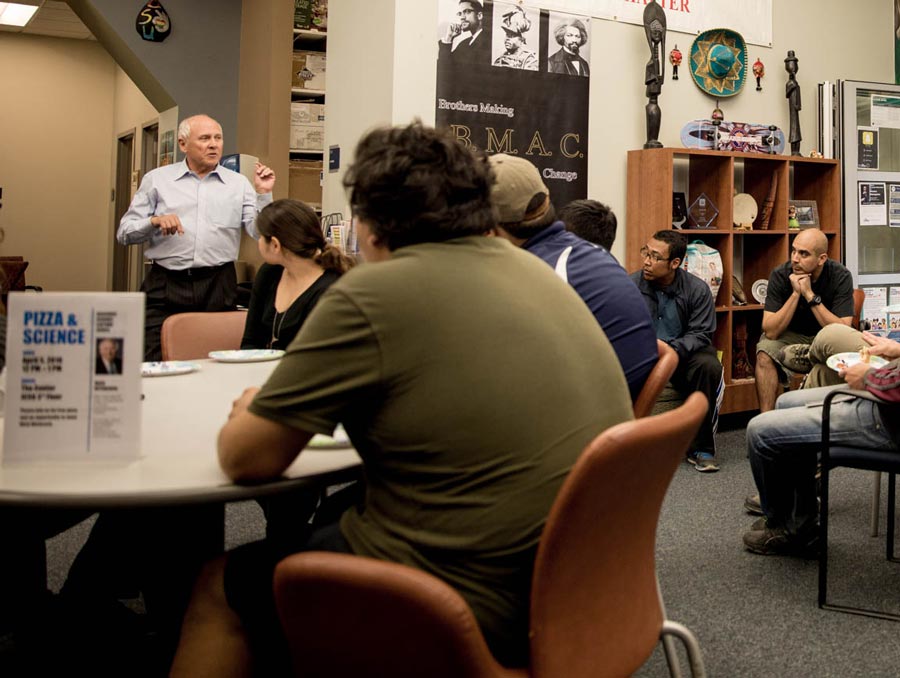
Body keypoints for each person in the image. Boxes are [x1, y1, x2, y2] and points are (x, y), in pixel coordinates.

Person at [169, 121, 634, 676]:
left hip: (461, 597)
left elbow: (247, 460)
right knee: (335, 515)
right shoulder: (534, 271)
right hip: (579, 584)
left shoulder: (370, 293)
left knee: (217, 588)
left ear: (367, 225)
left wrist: (251, 412)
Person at [489, 154, 657, 401]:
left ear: (489, 225)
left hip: (589, 415)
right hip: (614, 402)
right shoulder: (588, 251)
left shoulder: (541, 273)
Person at [117, 114, 276, 361]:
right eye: (204, 138)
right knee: (154, 360)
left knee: (215, 361)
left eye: (218, 138)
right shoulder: (157, 180)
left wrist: (264, 195)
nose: (213, 144)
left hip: (218, 283)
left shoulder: (238, 184)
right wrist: (153, 222)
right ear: (183, 144)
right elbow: (124, 233)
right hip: (166, 283)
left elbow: (259, 232)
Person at [743, 334, 900, 556]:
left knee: (759, 431)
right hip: (888, 396)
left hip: (888, 418)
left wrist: (870, 378)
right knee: (785, 402)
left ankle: (785, 527)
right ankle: (800, 521)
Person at [631, 230, 723, 472]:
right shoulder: (631, 286)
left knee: (708, 364)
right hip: (643, 356)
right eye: (645, 252)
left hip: (682, 356)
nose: (647, 261)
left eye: (654, 256)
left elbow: (701, 334)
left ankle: (702, 449)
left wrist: (671, 351)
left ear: (675, 263)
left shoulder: (697, 289)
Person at [754, 228, 854, 412]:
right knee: (764, 353)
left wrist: (809, 294)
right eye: (793, 251)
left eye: (803, 254)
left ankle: (831, 417)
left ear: (821, 259)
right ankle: (765, 419)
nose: (795, 258)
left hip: (824, 338)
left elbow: (843, 330)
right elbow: (770, 331)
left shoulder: (841, 276)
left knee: (843, 350)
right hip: (791, 336)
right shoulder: (780, 274)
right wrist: (795, 294)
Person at [240, 199, 354, 351]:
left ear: (275, 245)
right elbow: (251, 342)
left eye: (261, 236)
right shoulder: (270, 273)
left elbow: (322, 357)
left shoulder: (330, 288)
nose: (259, 241)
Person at [438, 0, 489, 64]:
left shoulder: (489, 41)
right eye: (460, 14)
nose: (462, 17)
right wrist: (449, 37)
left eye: (467, 12)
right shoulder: (463, 44)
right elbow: (445, 69)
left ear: (479, 15)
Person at [493, 6, 537, 71]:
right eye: (507, 35)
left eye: (513, 36)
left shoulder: (530, 60)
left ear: (522, 39)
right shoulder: (499, 60)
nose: (508, 38)